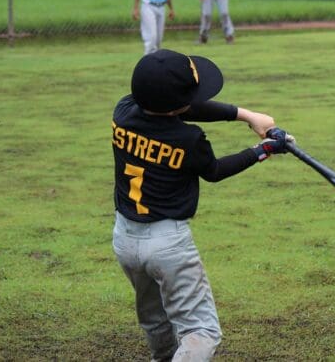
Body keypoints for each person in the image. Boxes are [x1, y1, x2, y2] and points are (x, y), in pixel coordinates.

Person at [111, 49, 291, 360]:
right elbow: (215, 172)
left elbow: (181, 108)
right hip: (168, 244)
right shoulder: (189, 139)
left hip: (125, 239)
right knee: (202, 331)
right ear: (178, 105)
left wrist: (245, 115)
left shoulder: (123, 111)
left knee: (155, 320)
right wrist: (262, 150)